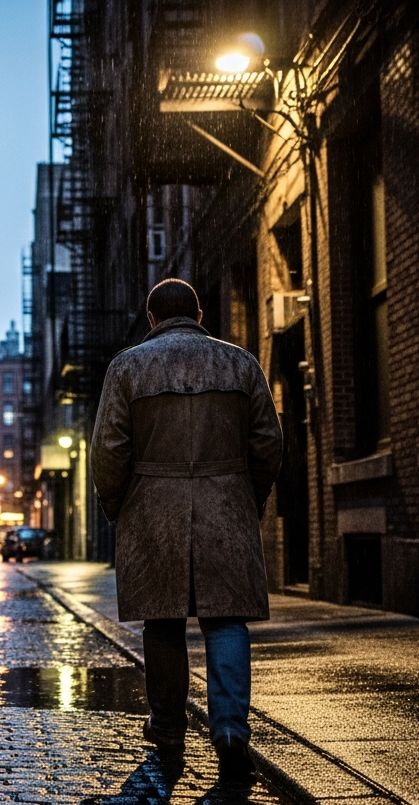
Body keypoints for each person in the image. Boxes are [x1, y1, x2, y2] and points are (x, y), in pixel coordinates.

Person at [91, 279, 282, 779]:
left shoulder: (127, 367)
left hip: (152, 509)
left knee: (163, 621)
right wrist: (249, 497)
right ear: (199, 314)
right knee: (227, 619)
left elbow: (108, 452)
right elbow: (268, 442)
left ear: (152, 319)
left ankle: (169, 729)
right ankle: (230, 730)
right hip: (228, 505)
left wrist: (119, 507)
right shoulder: (240, 363)